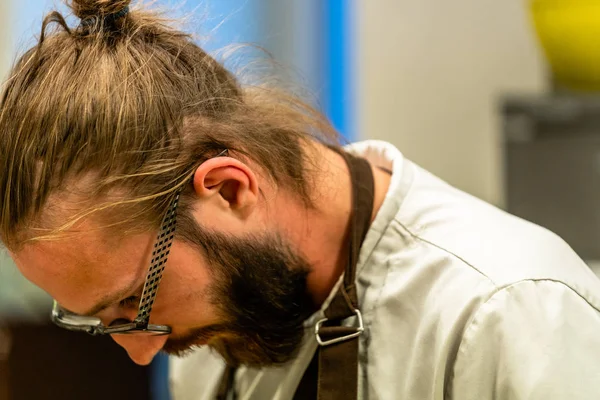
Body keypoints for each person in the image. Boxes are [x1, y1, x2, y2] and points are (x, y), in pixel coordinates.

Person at [1, 1, 600, 399]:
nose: (141, 351)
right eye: (104, 321)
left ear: (230, 189)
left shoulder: (511, 311)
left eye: (134, 301)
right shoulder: (218, 319)